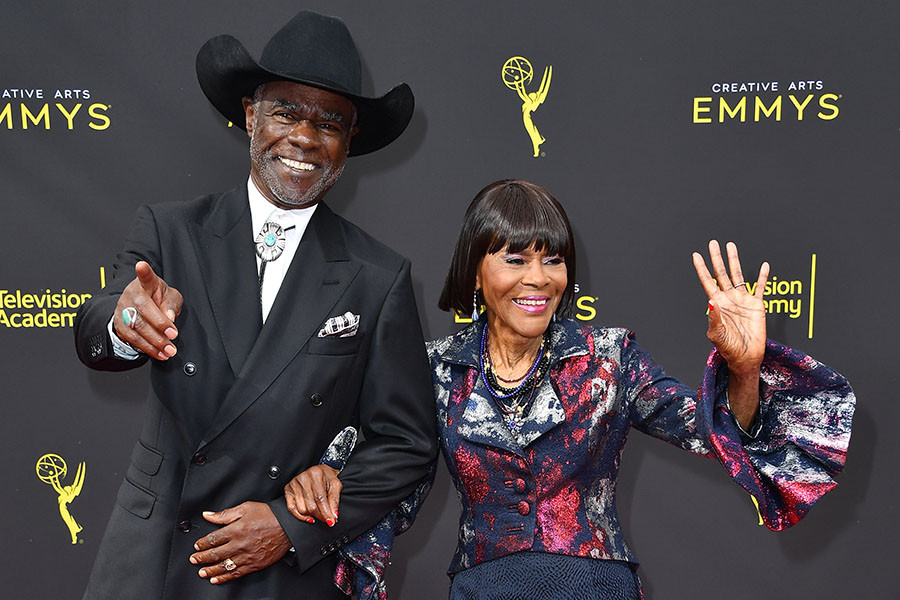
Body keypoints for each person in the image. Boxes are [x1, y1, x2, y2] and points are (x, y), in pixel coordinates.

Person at [286, 179, 855, 599]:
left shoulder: (610, 359)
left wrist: (745, 370)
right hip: (483, 588)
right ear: (475, 272)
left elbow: (713, 431)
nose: (538, 278)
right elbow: (389, 475)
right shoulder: (435, 370)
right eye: (514, 258)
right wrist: (331, 475)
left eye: (553, 259)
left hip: (595, 584)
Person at [73, 10, 437, 600]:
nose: (304, 138)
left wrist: (292, 528)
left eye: (330, 124)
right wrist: (125, 322)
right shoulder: (171, 230)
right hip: (155, 554)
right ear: (250, 115)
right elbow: (99, 327)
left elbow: (406, 444)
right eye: (286, 112)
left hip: (275, 573)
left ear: (349, 144)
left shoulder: (378, 276)